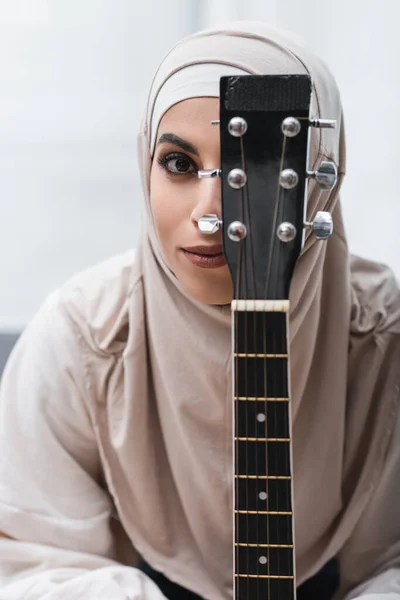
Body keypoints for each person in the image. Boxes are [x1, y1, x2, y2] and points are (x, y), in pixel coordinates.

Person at [0, 20, 399, 600]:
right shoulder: (81, 338)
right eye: (180, 165)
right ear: (146, 166)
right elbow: (32, 560)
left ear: (320, 184)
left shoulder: (383, 335)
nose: (214, 211)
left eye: (260, 172)